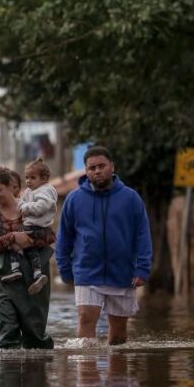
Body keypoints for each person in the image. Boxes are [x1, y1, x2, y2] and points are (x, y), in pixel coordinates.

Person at [55, 146, 152, 345]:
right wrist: (65, 269)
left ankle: (116, 375)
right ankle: (86, 373)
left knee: (117, 335)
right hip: (86, 272)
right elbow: (63, 238)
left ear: (112, 167)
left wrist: (142, 268)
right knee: (85, 319)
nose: (97, 171)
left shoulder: (131, 198)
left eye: (101, 166)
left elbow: (143, 235)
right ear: (86, 171)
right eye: (91, 168)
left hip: (122, 273)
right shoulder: (74, 199)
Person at [0, 166, 55, 349]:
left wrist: (28, 241)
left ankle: (37, 372)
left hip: (32, 275)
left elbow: (49, 236)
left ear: (10, 187)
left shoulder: (28, 206)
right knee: (5, 327)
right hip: (0, 276)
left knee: (34, 333)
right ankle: (5, 372)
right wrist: (14, 237)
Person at [1, 158, 56, 296]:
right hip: (32, 227)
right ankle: (37, 275)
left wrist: (23, 207)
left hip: (39, 228)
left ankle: (15, 269)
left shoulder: (45, 190)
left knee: (14, 237)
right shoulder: (29, 191)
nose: (28, 181)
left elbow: (41, 207)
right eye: (26, 177)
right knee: (30, 247)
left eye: (33, 177)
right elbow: (22, 203)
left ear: (44, 178)